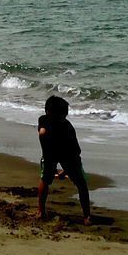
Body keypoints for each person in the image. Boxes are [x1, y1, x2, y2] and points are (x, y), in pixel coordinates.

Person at [36, 95, 92, 225]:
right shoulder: (44, 119)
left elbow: (76, 151)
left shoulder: (67, 126)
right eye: (62, 115)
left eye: (64, 115)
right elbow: (42, 133)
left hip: (68, 154)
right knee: (45, 179)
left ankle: (87, 215)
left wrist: (66, 171)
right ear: (49, 112)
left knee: (81, 184)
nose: (63, 118)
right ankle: (41, 210)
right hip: (50, 154)